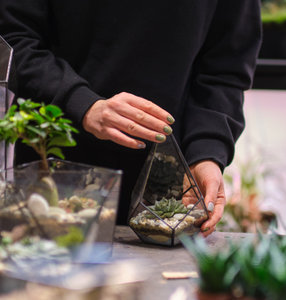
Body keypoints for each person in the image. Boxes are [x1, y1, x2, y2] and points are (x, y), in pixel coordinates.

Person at [0, 1, 262, 236]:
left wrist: (206, 153)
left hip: (168, 186)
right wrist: (82, 103)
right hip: (56, 167)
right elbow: (13, 38)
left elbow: (226, 67)